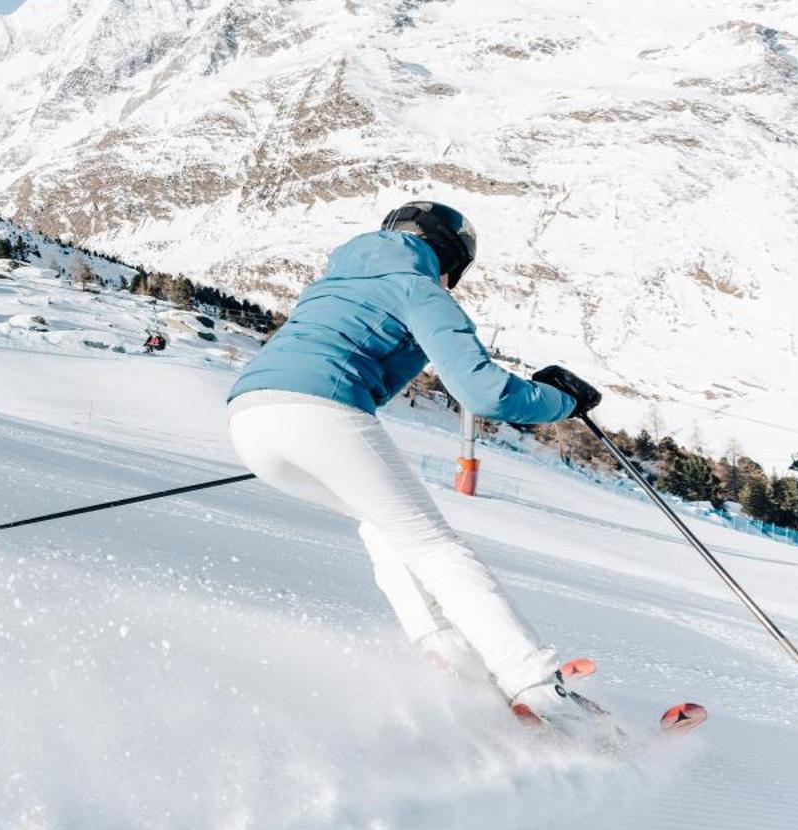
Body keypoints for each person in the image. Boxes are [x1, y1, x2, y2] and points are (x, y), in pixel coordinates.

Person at [225, 200, 603, 724]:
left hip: (251, 420)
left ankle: (453, 662)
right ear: (450, 258)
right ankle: (537, 688)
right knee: (433, 545)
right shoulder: (418, 288)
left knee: (386, 527)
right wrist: (562, 400)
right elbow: (486, 395)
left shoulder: (335, 282)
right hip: (318, 416)